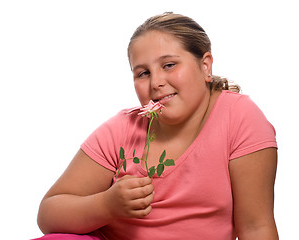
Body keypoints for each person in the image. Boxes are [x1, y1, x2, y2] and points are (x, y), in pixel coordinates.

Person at [34, 12, 278, 240]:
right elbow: (49, 215)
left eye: (169, 65)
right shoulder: (122, 129)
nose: (156, 82)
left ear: (205, 66)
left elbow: (256, 226)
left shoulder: (239, 117)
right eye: (143, 73)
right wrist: (107, 205)